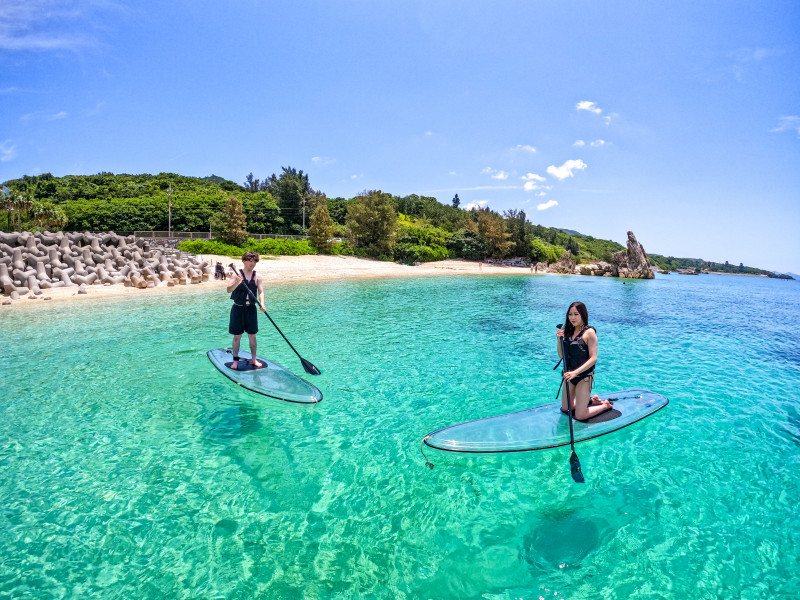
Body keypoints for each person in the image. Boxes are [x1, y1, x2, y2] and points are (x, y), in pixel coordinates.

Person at [555, 301, 612, 420]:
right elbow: (561, 356)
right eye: (570, 314)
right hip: (569, 375)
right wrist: (559, 340)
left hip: (584, 376)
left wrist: (575, 372)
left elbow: (593, 358)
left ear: (583, 315)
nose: (572, 318)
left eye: (576, 314)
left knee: (580, 416)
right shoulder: (567, 332)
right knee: (566, 409)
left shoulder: (589, 333)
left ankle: (605, 405)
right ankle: (591, 401)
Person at [226, 251, 266, 370]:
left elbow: (261, 292)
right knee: (237, 336)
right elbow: (228, 290)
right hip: (237, 308)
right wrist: (237, 282)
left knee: (252, 336)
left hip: (251, 309)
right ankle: (235, 361)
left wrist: (262, 304)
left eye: (254, 261)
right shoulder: (236, 275)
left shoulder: (257, 276)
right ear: (244, 261)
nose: (252, 263)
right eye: (250, 261)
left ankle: (254, 359)